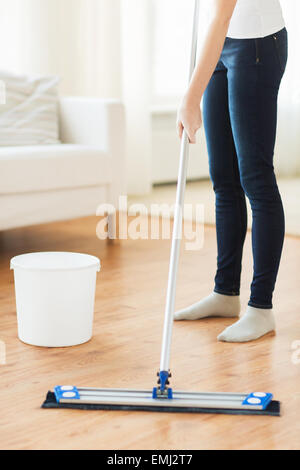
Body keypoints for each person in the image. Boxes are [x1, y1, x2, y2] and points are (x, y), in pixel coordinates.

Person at [175, 0, 288, 342]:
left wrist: (190, 98)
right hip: (222, 46)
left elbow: (223, 14)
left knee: (255, 177)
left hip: (256, 46)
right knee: (223, 178)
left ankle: (261, 308)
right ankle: (225, 293)